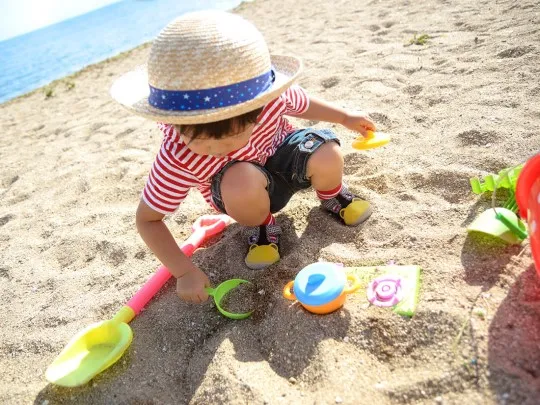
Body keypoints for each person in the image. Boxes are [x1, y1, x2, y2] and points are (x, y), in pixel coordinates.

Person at [111, 10, 376, 303]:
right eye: (203, 143)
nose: (220, 149)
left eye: (230, 136)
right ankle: (263, 225)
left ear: (255, 112)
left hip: (283, 161)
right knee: (241, 178)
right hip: (242, 194)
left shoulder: (266, 100)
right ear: (174, 123)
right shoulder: (177, 154)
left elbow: (304, 105)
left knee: (326, 151)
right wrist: (184, 271)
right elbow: (148, 220)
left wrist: (344, 116)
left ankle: (333, 195)